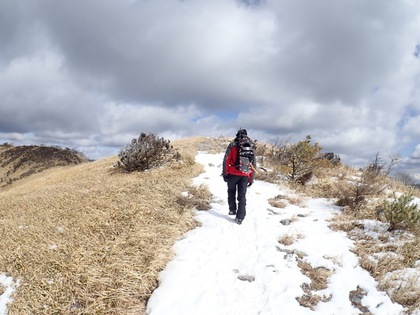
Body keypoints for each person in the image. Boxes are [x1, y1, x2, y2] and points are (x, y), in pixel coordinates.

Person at [222, 129, 256, 225]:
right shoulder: (250, 145)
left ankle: (232, 210)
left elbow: (226, 160)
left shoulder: (232, 145)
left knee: (231, 191)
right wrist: (251, 178)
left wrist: (225, 173)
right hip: (245, 175)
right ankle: (240, 217)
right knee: (242, 196)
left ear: (237, 135)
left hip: (232, 174)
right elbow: (253, 163)